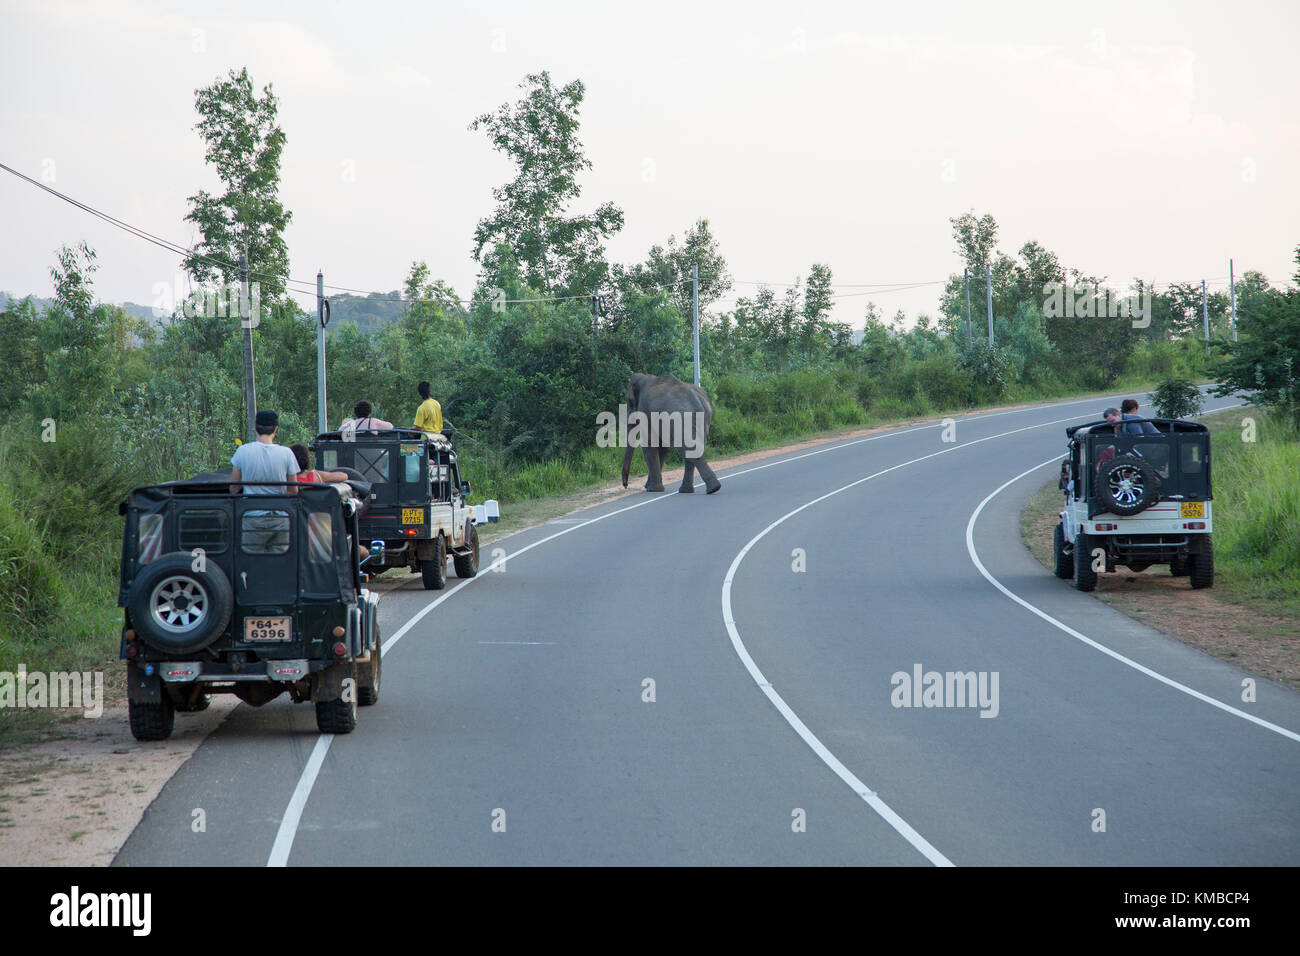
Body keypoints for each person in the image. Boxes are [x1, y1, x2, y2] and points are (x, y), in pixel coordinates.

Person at [230, 410, 298, 553]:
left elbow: (234, 489)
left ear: (255, 428)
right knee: (280, 562)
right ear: (276, 429)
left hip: (252, 517)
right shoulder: (287, 453)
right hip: (280, 517)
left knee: (251, 561)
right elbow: (294, 490)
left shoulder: (242, 452)